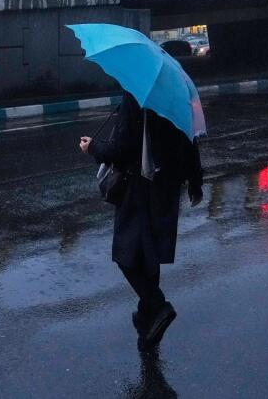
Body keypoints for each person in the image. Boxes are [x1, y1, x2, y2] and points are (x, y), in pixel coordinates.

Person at [79, 95, 203, 349]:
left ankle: (157, 306)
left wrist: (92, 148)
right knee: (149, 253)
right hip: (168, 187)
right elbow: (190, 140)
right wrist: (195, 181)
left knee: (125, 254)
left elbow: (121, 150)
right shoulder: (175, 99)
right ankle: (148, 322)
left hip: (140, 188)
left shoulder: (135, 99)